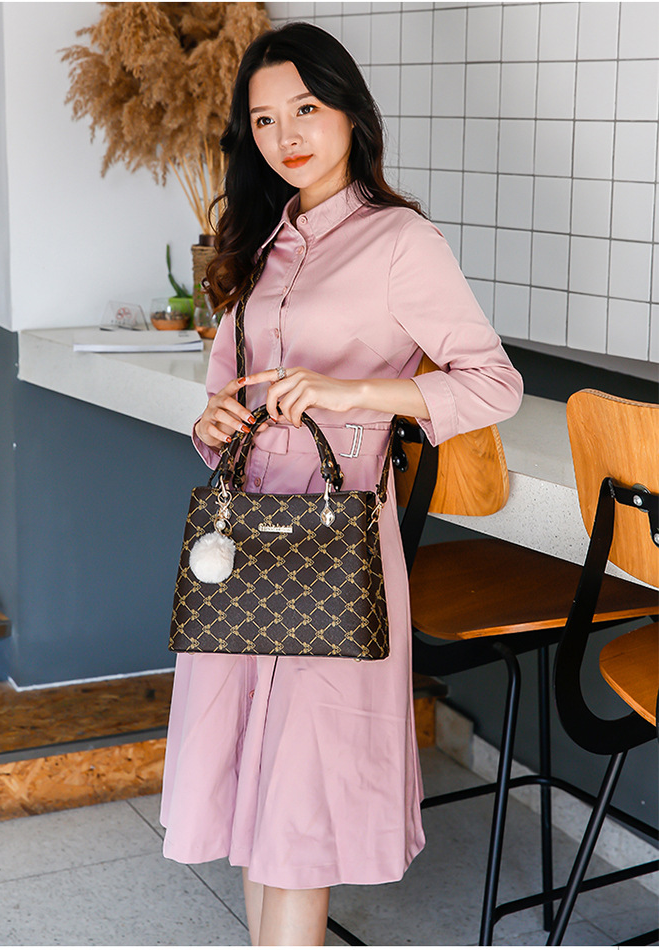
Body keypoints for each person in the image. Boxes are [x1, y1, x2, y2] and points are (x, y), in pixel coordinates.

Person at [160, 22, 523, 946]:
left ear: (350, 111)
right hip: (244, 548)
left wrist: (353, 392)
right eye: (264, 119)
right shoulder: (260, 242)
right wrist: (213, 423)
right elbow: (223, 392)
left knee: (300, 814)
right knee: (254, 802)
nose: (286, 135)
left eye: (306, 108)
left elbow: (494, 383)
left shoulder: (401, 241)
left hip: (336, 551)